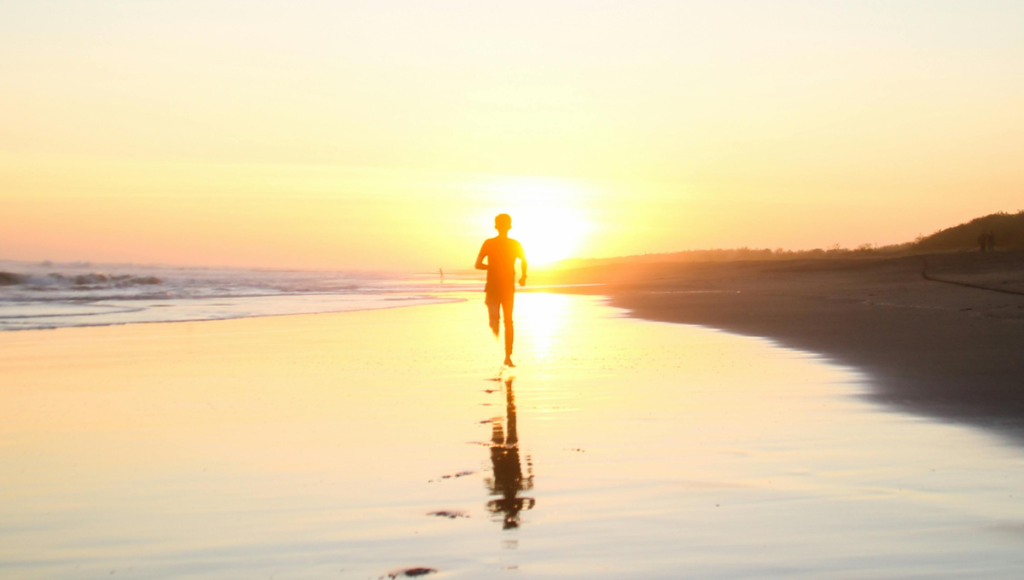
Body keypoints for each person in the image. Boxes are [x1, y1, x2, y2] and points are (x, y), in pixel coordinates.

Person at [475, 214, 527, 366]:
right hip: (507, 287)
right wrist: (523, 276)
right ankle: (508, 357)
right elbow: (524, 260)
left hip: (493, 286)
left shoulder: (488, 243)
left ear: (496, 226)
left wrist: (491, 267)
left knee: (497, 318)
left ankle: (493, 323)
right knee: (508, 321)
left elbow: (477, 265)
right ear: (509, 226)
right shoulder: (515, 244)